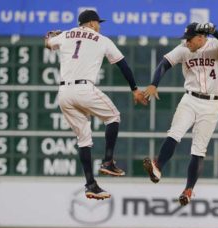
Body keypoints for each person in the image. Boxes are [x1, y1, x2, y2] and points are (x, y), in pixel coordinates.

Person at [45, 10, 147, 200]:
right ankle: (108, 161)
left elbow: (48, 43)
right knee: (113, 116)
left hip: (64, 94)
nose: (99, 26)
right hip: (84, 89)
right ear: (91, 23)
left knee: (84, 139)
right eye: (97, 23)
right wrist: (134, 88)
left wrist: (50, 36)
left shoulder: (66, 35)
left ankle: (91, 184)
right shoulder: (102, 39)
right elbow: (123, 65)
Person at [143, 22, 218, 206]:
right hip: (190, 99)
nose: (187, 42)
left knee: (198, 150)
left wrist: (215, 31)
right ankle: (158, 167)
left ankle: (189, 189)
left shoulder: (216, 47)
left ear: (201, 38)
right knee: (174, 133)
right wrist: (154, 83)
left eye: (190, 39)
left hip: (211, 104)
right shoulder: (184, 48)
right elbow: (164, 63)